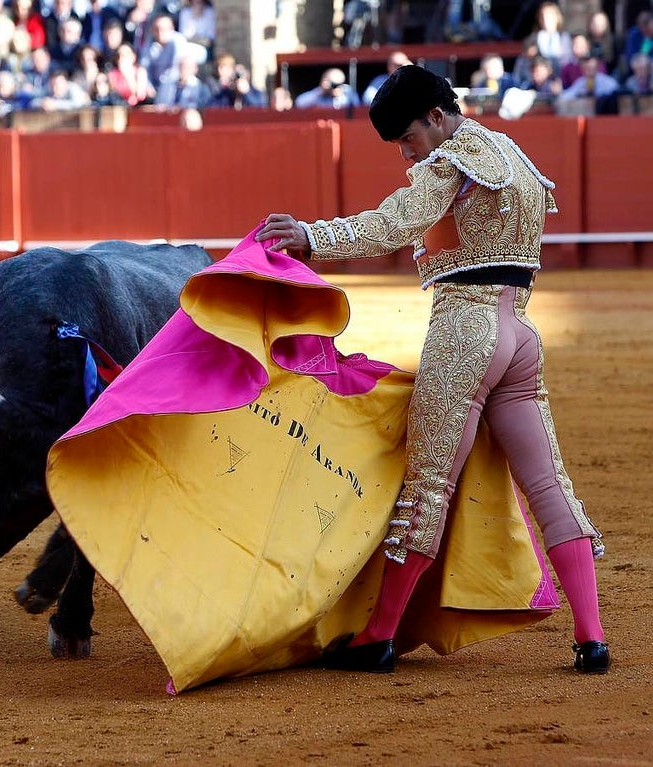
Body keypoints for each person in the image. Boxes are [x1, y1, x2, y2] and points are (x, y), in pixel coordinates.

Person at [255, 64, 609, 676]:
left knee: (427, 489)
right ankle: (591, 637)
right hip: (519, 335)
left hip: (464, 335)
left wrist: (314, 237)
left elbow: (394, 223)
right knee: (550, 486)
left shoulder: (455, 162)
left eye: (408, 138)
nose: (405, 153)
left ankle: (378, 638)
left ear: (439, 118)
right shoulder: (513, 156)